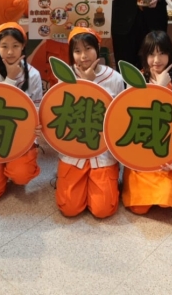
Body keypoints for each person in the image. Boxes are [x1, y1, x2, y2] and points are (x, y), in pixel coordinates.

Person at [55, 28, 126, 218]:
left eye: (88, 49)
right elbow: (60, 115)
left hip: (102, 152)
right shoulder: (65, 76)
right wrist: (84, 86)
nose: (83, 56)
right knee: (69, 208)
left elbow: (119, 117)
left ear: (97, 49)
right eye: (77, 51)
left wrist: (91, 86)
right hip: (73, 150)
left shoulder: (115, 78)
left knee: (103, 210)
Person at [122, 31, 172, 215]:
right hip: (139, 150)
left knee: (165, 201)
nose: (157, 60)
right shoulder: (134, 81)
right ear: (144, 56)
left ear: (170, 55)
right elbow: (127, 119)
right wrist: (158, 88)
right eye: (151, 54)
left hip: (164, 152)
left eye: (162, 53)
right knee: (138, 208)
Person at [0, 23, 44, 202]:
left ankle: (13, 165)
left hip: (21, 136)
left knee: (21, 176)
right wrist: (10, 78)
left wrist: (37, 127)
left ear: (23, 46)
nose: (10, 52)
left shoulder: (33, 75)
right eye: (4, 46)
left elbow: (36, 109)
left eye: (15, 46)